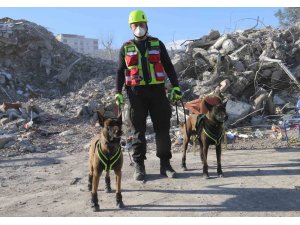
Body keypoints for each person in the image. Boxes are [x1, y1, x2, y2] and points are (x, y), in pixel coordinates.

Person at [115, 9, 183, 181]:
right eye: (135, 25)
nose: (139, 27)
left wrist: (175, 87)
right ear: (131, 27)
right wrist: (117, 92)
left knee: (162, 130)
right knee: (138, 131)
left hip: (157, 92)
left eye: (141, 24)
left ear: (147, 25)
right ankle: (139, 166)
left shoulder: (157, 44)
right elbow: (119, 72)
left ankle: (165, 165)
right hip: (135, 94)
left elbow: (169, 67)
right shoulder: (125, 47)